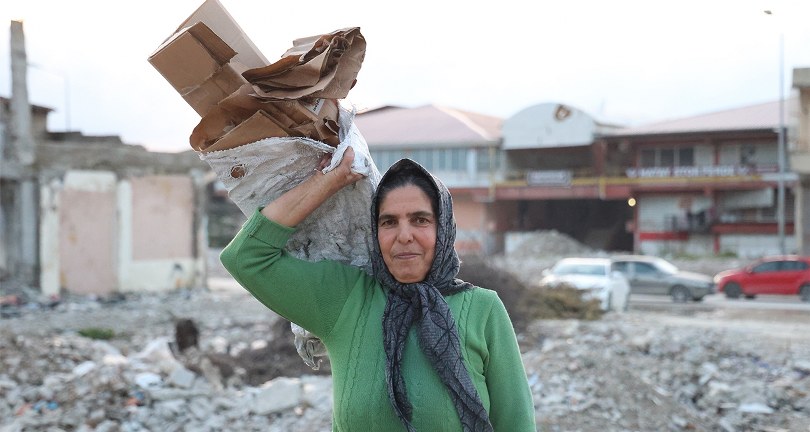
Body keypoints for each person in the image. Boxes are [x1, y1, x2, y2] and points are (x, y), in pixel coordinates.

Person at [220, 147, 536, 431]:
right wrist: (328, 182)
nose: (404, 235)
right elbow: (245, 257)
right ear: (375, 231)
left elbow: (517, 424)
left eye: (420, 220)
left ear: (443, 229)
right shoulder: (347, 299)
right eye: (388, 222)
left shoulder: (482, 309)